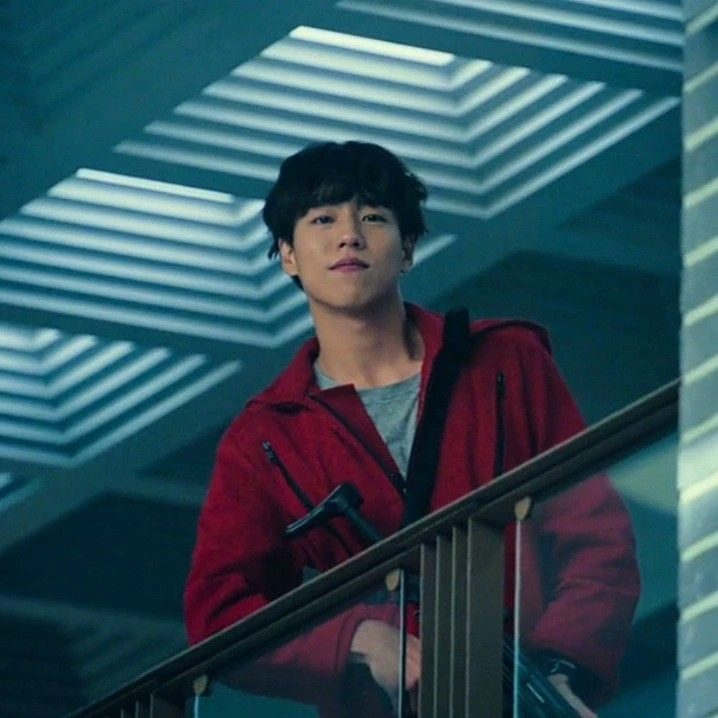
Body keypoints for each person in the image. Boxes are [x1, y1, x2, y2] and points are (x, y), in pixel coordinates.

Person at [184, 141, 640, 717]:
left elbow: (596, 535)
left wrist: (561, 668)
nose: (349, 236)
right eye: (323, 219)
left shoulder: (504, 360)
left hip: (527, 689)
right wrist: (359, 638)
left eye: (373, 217)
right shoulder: (267, 436)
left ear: (407, 250)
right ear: (289, 256)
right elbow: (218, 613)